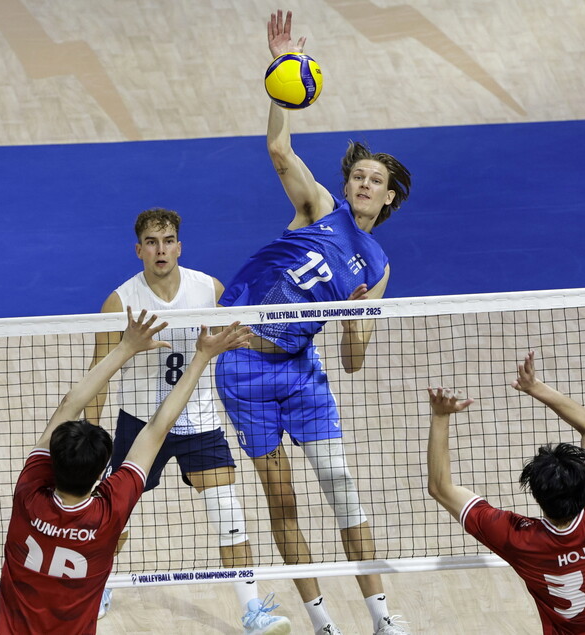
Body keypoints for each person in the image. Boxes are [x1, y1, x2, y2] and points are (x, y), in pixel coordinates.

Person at [214, 11, 413, 635]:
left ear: (388, 199)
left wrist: (354, 321)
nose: (362, 182)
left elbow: (354, 359)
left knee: (340, 485)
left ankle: (382, 619)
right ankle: (322, 622)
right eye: (358, 173)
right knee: (283, 500)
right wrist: (279, 78)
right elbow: (279, 148)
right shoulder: (319, 208)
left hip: (302, 374)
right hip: (243, 364)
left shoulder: (378, 267)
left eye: (374, 181)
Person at [84, 208, 288, 634]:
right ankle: (97, 584)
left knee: (228, 513)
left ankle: (252, 611)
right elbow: (99, 371)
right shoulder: (120, 302)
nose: (162, 250)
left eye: (169, 240)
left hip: (198, 422)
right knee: (114, 516)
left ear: (179, 245)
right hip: (140, 426)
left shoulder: (208, 289)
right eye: (152, 243)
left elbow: (242, 341)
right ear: (139, 249)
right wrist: (90, 428)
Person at [0, 309, 251, 635]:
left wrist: (124, 347)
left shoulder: (29, 493)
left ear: (51, 463)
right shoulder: (108, 511)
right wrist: (201, 357)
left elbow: (68, 405)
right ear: (102, 470)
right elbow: (158, 429)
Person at [426, 352, 585, 633]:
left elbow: (440, 488)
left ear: (537, 496)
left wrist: (440, 416)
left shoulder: (520, 539)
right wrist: (536, 387)